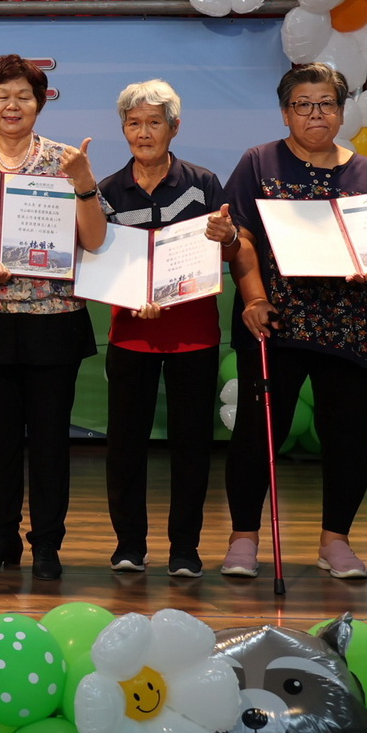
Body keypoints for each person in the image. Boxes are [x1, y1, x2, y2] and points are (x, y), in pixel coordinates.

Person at [94, 79, 270, 579]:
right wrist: (132, 298)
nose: (143, 133)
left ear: (174, 127)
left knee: (191, 445)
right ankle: (129, 544)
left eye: (154, 122)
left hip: (194, 333)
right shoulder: (107, 191)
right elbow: (102, 261)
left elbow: (231, 250)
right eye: (134, 123)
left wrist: (228, 235)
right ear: (123, 129)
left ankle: (185, 549)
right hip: (131, 332)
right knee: (124, 444)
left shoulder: (204, 183)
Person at [0, 54, 105, 581]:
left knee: (51, 442)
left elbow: (95, 238)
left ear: (40, 103)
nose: (12, 106)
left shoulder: (64, 160)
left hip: (54, 320)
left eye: (24, 96)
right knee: (1, 443)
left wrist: (82, 184)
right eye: (2, 96)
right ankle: (0, 539)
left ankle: (48, 545)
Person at [218, 62, 367, 580]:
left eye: (327, 104)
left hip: (348, 321)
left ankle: (335, 541)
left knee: (349, 436)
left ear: (342, 110)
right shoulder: (259, 162)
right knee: (257, 432)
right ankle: (243, 537)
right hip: (275, 319)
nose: (316, 114)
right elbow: (240, 235)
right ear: (285, 111)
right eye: (303, 105)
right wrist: (253, 298)